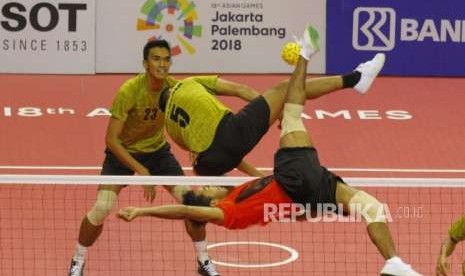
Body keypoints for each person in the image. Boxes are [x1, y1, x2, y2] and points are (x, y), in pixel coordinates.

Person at [118, 25, 422, 276]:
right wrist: (267, 111)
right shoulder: (226, 211)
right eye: (207, 190)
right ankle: (332, 68)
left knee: (370, 208)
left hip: (271, 183)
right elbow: (185, 209)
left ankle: (394, 262)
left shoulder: (175, 132)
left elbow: (215, 163)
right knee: (286, 99)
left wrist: (210, 173)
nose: (209, 189)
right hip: (274, 166)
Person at [68, 40, 220, 276]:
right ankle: (78, 261)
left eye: (166, 59)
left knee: (193, 205)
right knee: (102, 208)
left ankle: (203, 260)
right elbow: (111, 140)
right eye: (156, 59)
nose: (162, 64)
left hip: (158, 153)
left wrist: (194, 144)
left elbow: (188, 120)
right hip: (123, 154)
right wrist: (144, 172)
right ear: (145, 64)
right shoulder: (130, 90)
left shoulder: (175, 89)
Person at [158, 25, 386, 178]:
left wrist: (259, 177)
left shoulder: (170, 127)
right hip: (229, 134)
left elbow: (226, 153)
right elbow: (240, 89)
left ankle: (202, 251)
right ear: (171, 88)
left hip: (209, 165)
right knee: (286, 89)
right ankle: (354, 79)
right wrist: (275, 110)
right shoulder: (188, 83)